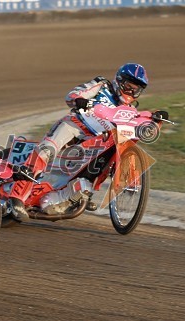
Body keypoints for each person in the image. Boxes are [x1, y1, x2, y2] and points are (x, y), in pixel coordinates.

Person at [10, 63, 149, 221]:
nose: (131, 91)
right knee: (47, 150)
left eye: (136, 89)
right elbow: (72, 94)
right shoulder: (102, 85)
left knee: (109, 156)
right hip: (76, 125)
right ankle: (17, 197)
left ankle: (79, 194)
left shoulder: (131, 111)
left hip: (95, 142)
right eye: (129, 86)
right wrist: (79, 100)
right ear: (119, 81)